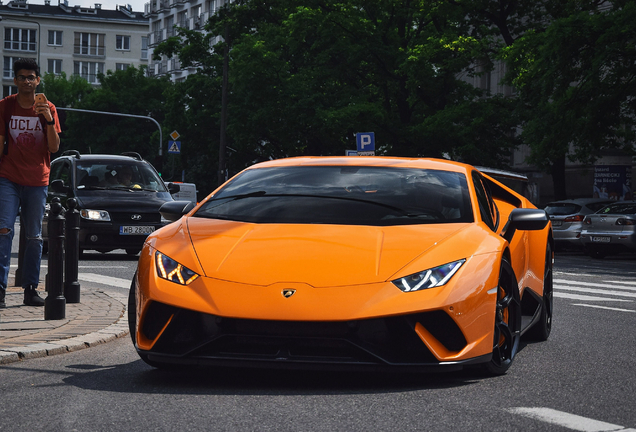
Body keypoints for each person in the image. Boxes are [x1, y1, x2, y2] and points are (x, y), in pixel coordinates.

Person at [0, 58, 61, 307]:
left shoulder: (49, 108)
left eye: (31, 77)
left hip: (38, 179)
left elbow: (54, 148)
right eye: (22, 77)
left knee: (35, 236)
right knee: (4, 230)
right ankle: (1, 289)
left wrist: (47, 119)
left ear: (38, 80)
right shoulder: (5, 106)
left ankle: (30, 289)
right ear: (15, 80)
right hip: (9, 178)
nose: (27, 81)